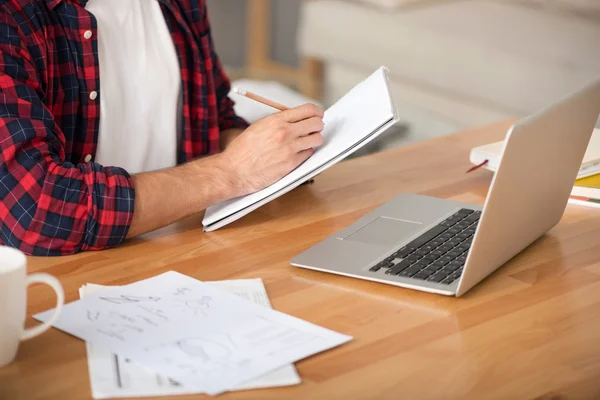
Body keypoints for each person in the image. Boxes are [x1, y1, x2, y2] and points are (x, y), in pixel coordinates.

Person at [0, 0, 324, 256]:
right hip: (63, 279)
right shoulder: (12, 16)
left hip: (184, 252)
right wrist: (232, 171)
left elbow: (213, 116)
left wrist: (275, 151)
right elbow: (38, 207)